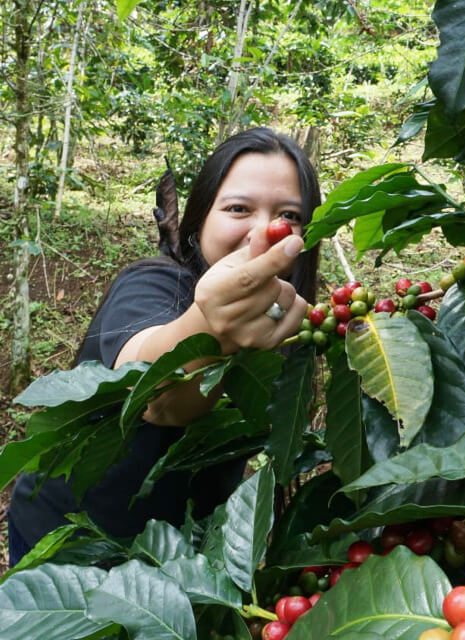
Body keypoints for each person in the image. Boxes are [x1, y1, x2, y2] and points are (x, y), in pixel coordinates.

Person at [8, 127, 321, 567]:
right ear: (200, 220)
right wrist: (210, 327)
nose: (263, 231)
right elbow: (155, 394)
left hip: (176, 563)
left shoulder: (293, 325)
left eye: (289, 214)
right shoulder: (153, 283)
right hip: (69, 545)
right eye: (238, 208)